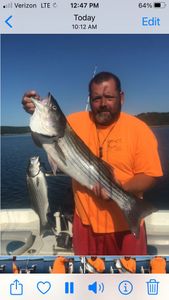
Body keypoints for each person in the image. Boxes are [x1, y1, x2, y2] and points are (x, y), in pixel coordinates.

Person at [22, 71, 163, 255]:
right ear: (90, 99)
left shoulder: (138, 129)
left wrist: (120, 188)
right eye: (97, 98)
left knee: (128, 280)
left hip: (124, 227)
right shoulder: (72, 122)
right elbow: (41, 139)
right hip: (84, 225)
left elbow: (150, 174)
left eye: (109, 97)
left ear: (122, 97)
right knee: (87, 280)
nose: (103, 104)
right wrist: (35, 112)